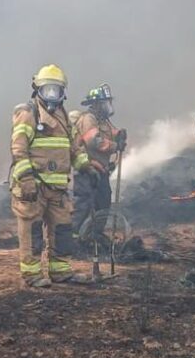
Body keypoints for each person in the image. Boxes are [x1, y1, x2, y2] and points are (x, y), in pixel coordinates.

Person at [10, 65, 96, 286]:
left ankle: (61, 272)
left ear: (62, 92)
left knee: (62, 230)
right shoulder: (28, 114)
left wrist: (86, 166)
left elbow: (74, 147)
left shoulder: (65, 117)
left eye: (56, 89)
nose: (52, 94)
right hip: (34, 187)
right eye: (48, 89)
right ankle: (32, 275)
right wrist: (26, 179)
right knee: (33, 232)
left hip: (57, 189)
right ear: (37, 88)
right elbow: (18, 149)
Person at [71, 84, 127, 243]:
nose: (108, 105)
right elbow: (94, 141)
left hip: (101, 171)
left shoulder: (103, 121)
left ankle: (94, 235)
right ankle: (72, 238)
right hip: (87, 170)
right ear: (96, 104)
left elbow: (108, 133)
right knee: (83, 205)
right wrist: (116, 146)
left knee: (103, 203)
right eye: (105, 102)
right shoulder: (88, 119)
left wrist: (119, 135)